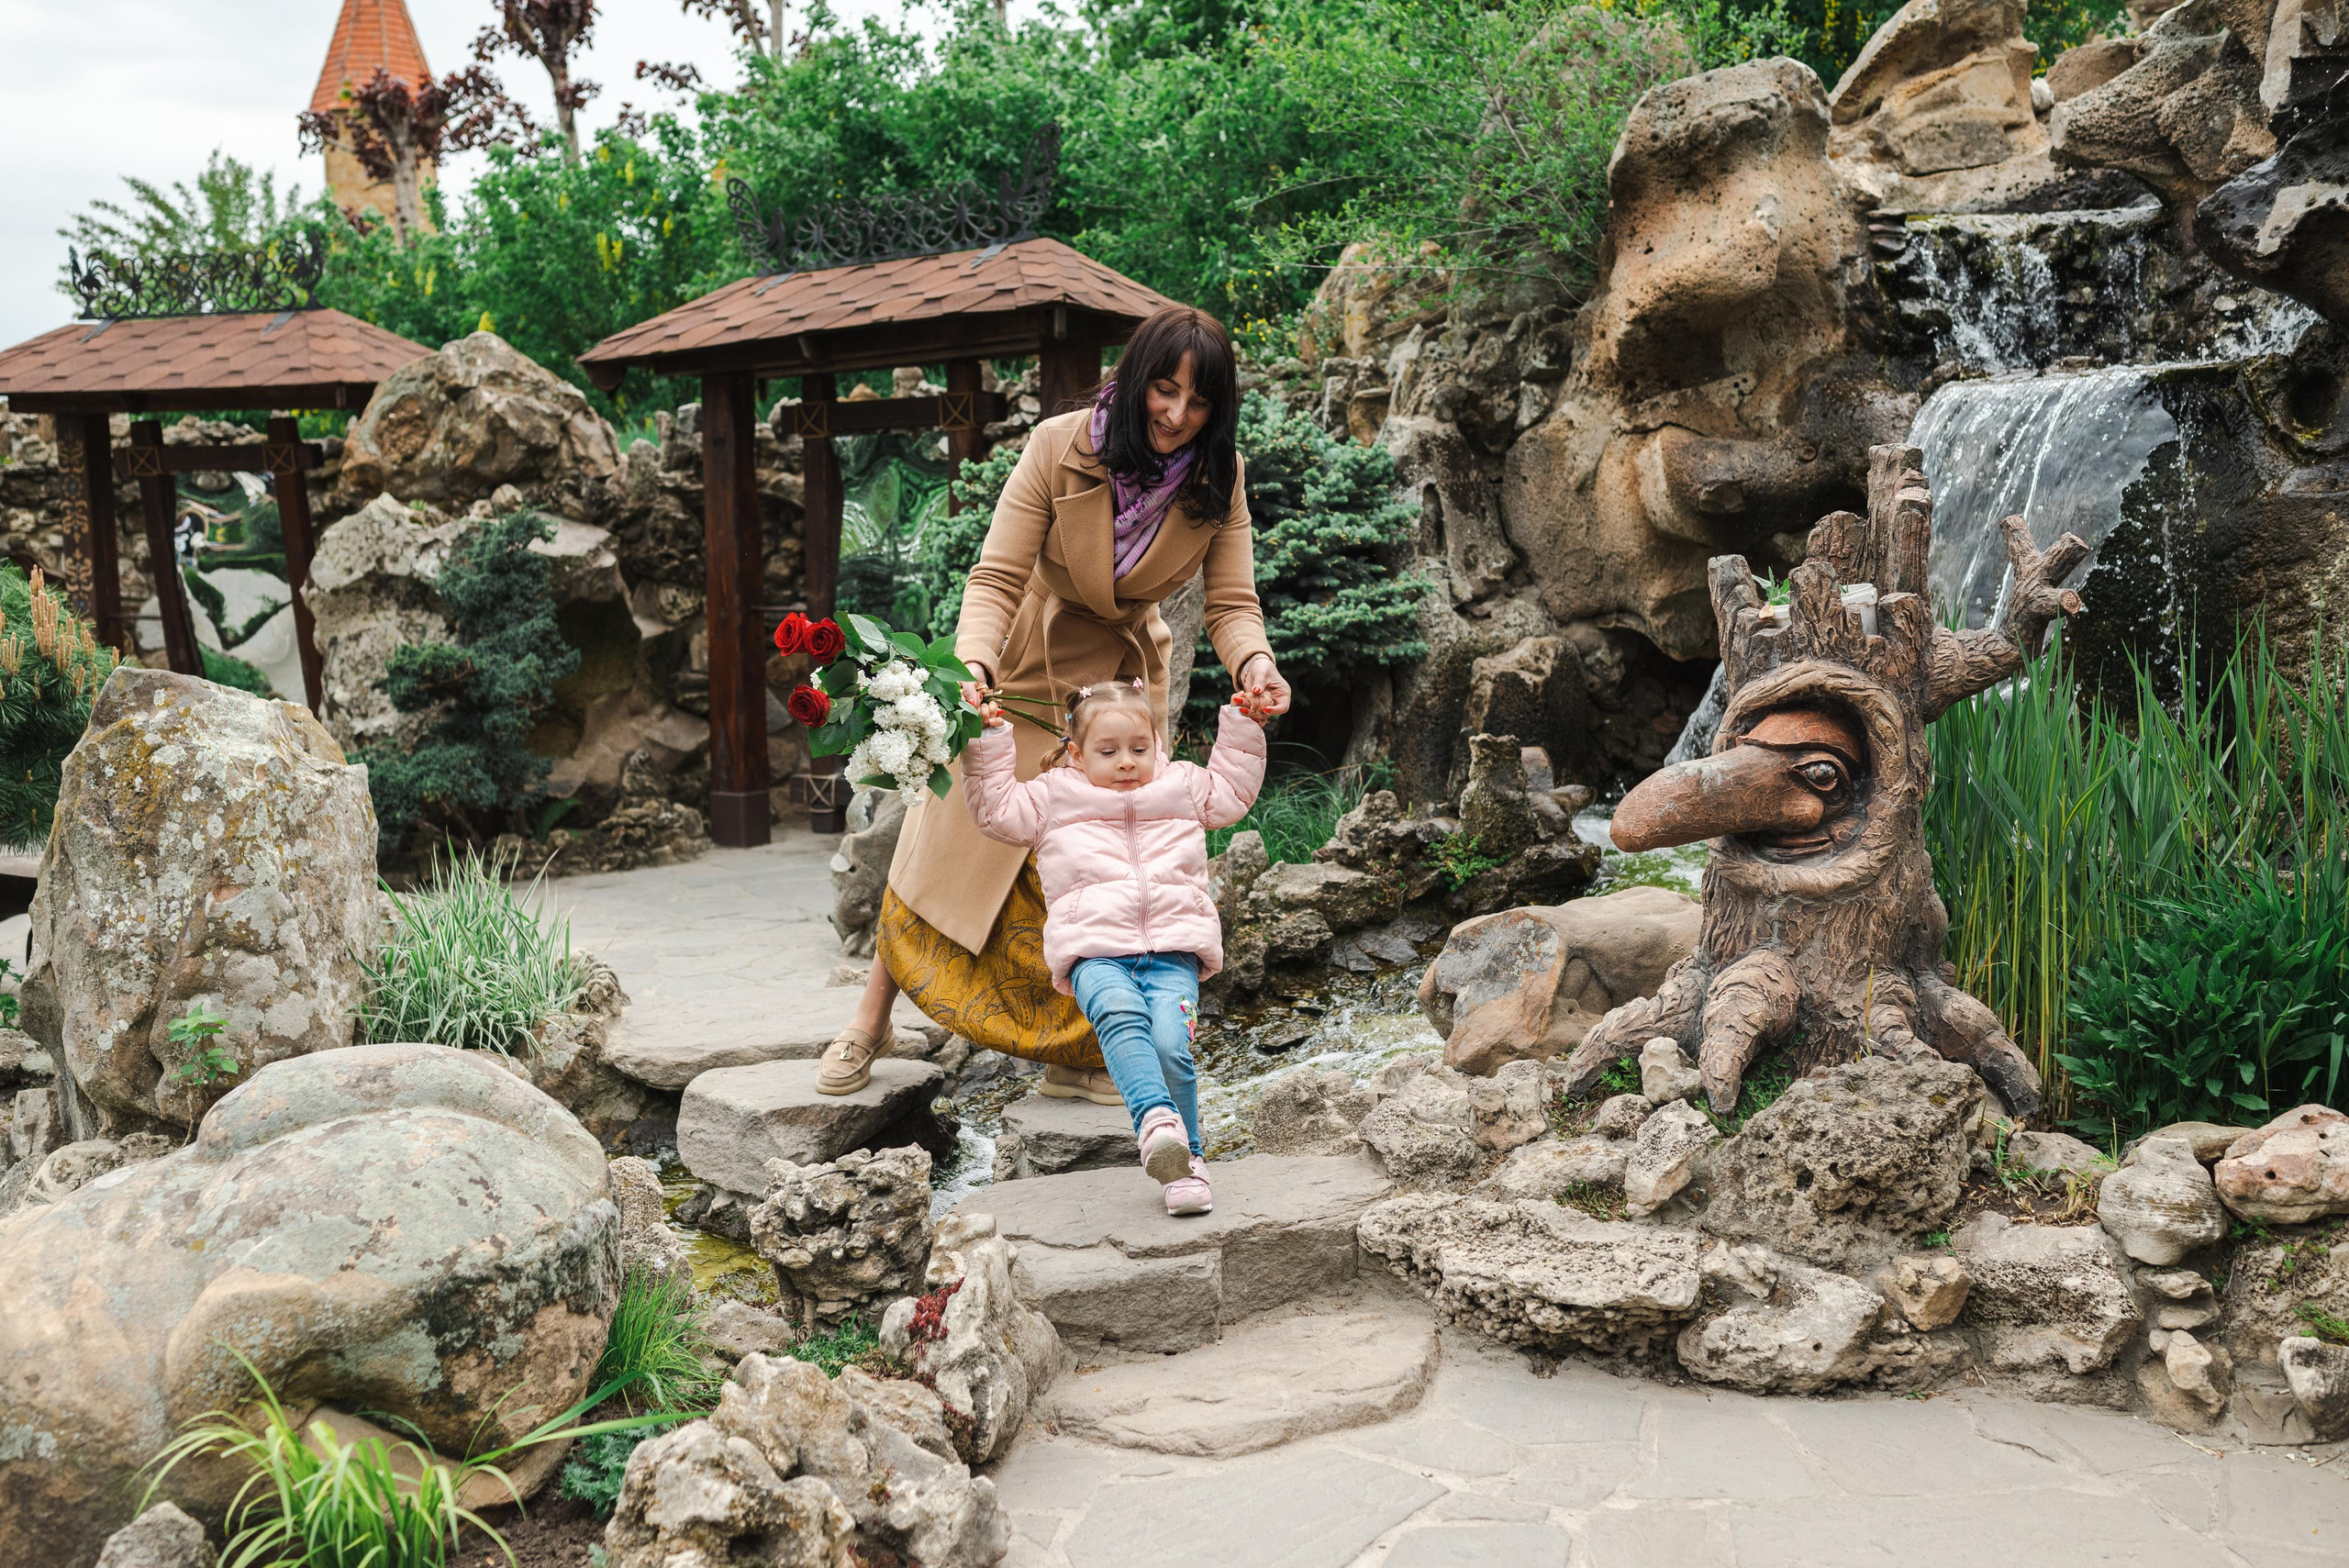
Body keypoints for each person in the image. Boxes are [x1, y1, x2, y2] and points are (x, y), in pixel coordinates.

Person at [815, 305, 1293, 1098]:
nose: (1178, 414)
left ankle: (1076, 1056)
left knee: (1099, 864)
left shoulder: (1220, 474)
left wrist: (1256, 663)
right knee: (947, 841)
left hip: (1122, 690)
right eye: (1165, 390)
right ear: (1137, 380)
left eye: (1200, 400)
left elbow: (1232, 602)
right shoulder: (1057, 444)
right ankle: (871, 1019)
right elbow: (997, 575)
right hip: (1025, 662)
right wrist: (973, 663)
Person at [960, 680, 1267, 1213]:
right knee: (1120, 1014)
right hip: (1094, 951)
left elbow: (1232, 793)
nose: (1127, 762)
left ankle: (1187, 1164)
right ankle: (1155, 1122)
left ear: (1156, 743)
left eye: (1139, 748)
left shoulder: (1181, 785)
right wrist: (986, 737)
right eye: (1108, 751)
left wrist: (1245, 723)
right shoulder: (1052, 796)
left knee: (1170, 1047)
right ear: (1077, 754)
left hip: (1173, 951)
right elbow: (995, 810)